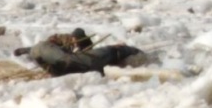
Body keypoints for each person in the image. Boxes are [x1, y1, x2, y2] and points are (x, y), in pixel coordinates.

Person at [14, 27, 143, 76]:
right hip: (49, 53)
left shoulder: (82, 49)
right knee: (66, 60)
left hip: (52, 57)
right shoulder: (63, 41)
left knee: (69, 61)